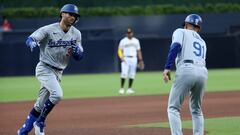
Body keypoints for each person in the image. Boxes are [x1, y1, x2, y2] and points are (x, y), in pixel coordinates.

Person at [17, 4, 84, 135]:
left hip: (59, 72)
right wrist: (31, 43)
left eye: (75, 15)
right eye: (70, 14)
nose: (73, 17)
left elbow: (80, 55)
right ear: (62, 14)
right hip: (45, 68)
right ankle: (40, 122)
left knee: (39, 104)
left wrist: (78, 53)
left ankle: (23, 131)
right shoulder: (48, 29)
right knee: (57, 95)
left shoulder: (76, 33)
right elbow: (31, 38)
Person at [162, 14, 208, 135]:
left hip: (187, 69)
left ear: (186, 24)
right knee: (197, 110)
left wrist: (167, 67)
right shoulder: (202, 41)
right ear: (198, 28)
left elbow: (175, 47)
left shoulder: (180, 31)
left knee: (173, 108)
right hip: (202, 72)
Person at [118, 28, 144, 94]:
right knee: (124, 73)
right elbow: (119, 50)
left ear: (132, 33)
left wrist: (140, 59)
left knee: (132, 74)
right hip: (125, 58)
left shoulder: (136, 41)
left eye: (130, 32)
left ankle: (129, 89)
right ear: (126, 34)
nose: (129, 34)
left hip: (134, 58)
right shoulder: (123, 41)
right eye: (128, 33)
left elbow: (138, 50)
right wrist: (121, 57)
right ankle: (122, 88)